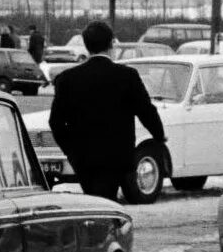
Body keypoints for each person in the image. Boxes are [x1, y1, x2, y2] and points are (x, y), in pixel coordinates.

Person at [47, 20, 165, 202]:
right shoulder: (127, 76)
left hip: (83, 157)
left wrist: (71, 150)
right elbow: (145, 111)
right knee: (106, 200)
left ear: (86, 46)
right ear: (111, 44)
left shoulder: (67, 79)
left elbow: (56, 122)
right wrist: (159, 135)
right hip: (117, 156)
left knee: (94, 199)